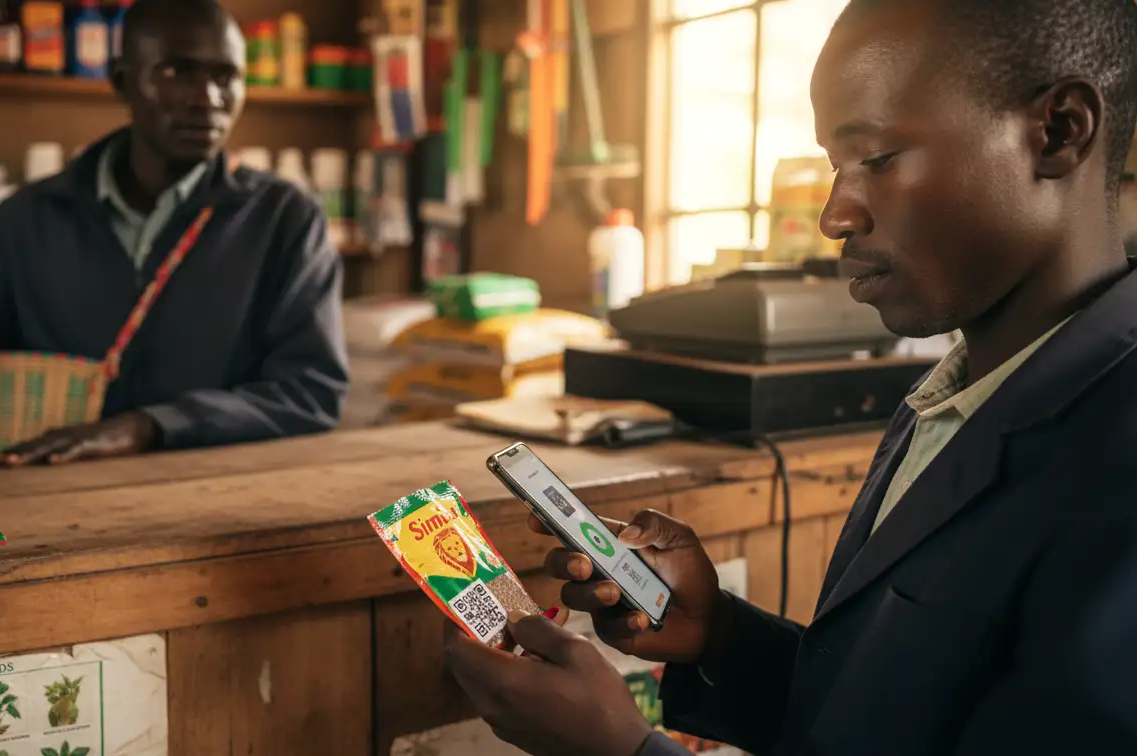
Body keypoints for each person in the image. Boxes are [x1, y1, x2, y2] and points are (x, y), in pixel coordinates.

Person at [443, 0, 1137, 753]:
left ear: (1060, 131)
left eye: (875, 159)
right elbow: (891, 716)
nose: (835, 215)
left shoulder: (1117, 469)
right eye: (837, 168)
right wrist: (724, 639)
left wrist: (621, 750)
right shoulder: (950, 397)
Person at [0, 0, 348, 466]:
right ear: (122, 81)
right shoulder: (27, 218)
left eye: (225, 76)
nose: (206, 98)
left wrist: (151, 427)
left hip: (221, 510)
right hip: (49, 508)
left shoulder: (285, 219)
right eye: (175, 72)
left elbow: (310, 393)